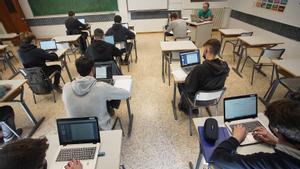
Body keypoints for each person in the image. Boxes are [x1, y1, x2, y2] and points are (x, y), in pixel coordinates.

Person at [210, 99, 300, 169]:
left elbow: (217, 159)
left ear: (276, 130)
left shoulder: (268, 163)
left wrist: (235, 139)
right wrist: (276, 141)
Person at [62, 57, 130, 130]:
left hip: (76, 130)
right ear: (93, 70)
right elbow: (126, 94)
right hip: (100, 129)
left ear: (77, 70)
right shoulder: (102, 87)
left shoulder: (66, 88)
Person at [178, 39, 229, 114]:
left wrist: (190, 75)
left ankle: (187, 107)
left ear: (207, 50)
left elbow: (189, 88)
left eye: (204, 49)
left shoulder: (200, 68)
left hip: (198, 100)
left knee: (180, 84)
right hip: (214, 99)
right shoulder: (225, 66)